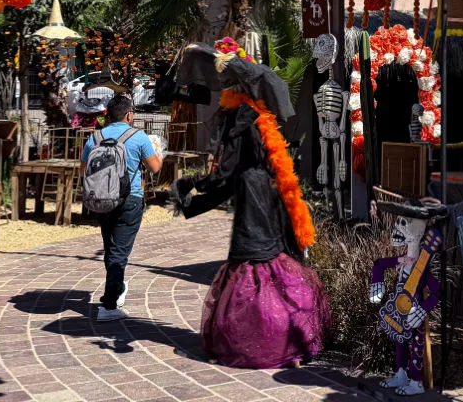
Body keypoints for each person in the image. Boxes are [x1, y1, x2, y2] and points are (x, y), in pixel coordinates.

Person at [171, 41, 329, 368]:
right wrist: (194, 201)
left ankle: (264, 342)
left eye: (228, 78)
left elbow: (226, 173)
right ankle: (292, 333)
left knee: (254, 268)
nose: (224, 83)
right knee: (274, 263)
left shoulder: (241, 116)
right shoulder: (260, 114)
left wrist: (191, 185)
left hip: (251, 198)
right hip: (269, 198)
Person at [80, 94, 162, 322]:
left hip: (102, 200)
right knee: (119, 252)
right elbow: (155, 168)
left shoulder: (95, 137)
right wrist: (159, 150)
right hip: (130, 199)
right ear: (129, 115)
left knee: (111, 248)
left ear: (107, 116)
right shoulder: (139, 137)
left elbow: (84, 170)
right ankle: (109, 304)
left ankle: (116, 285)